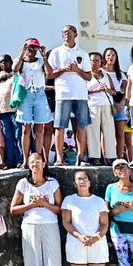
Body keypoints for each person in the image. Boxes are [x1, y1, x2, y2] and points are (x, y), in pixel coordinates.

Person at [11, 152, 63, 266]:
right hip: (30, 226)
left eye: (38, 161)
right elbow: (13, 209)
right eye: (32, 162)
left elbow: (60, 209)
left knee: (52, 265)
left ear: (44, 163)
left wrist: (45, 204)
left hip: (50, 225)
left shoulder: (52, 183)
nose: (35, 165)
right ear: (28, 164)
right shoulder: (23, 183)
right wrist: (31, 205)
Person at [62, 170, 110, 266]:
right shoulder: (69, 200)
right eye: (79, 179)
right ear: (74, 183)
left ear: (89, 182)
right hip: (76, 243)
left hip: (98, 242)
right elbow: (66, 222)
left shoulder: (98, 201)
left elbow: (104, 223)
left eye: (84, 179)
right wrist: (79, 236)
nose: (82, 182)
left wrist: (96, 237)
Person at [47, 25, 92, 166]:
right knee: (60, 126)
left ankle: (81, 158)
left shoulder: (83, 53)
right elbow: (49, 74)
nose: (67, 34)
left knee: (81, 126)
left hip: (80, 94)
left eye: (70, 31)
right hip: (63, 93)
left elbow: (89, 76)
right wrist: (64, 69)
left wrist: (77, 70)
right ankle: (59, 159)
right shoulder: (56, 52)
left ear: (76, 34)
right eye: (65, 32)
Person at [13, 39, 53, 161]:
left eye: (35, 48)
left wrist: (44, 56)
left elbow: (49, 73)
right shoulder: (20, 61)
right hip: (26, 94)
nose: (32, 50)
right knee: (26, 128)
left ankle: (38, 156)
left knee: (40, 128)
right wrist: (22, 54)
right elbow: (14, 69)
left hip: (39, 93)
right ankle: (26, 159)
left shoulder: (41, 61)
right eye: (30, 47)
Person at [83, 52, 118, 164]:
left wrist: (107, 90)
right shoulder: (86, 75)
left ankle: (110, 156)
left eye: (98, 60)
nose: (96, 63)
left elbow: (114, 91)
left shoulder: (106, 74)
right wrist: (96, 90)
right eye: (94, 60)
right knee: (93, 132)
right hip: (93, 105)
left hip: (106, 104)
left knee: (109, 131)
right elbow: (82, 91)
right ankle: (95, 157)